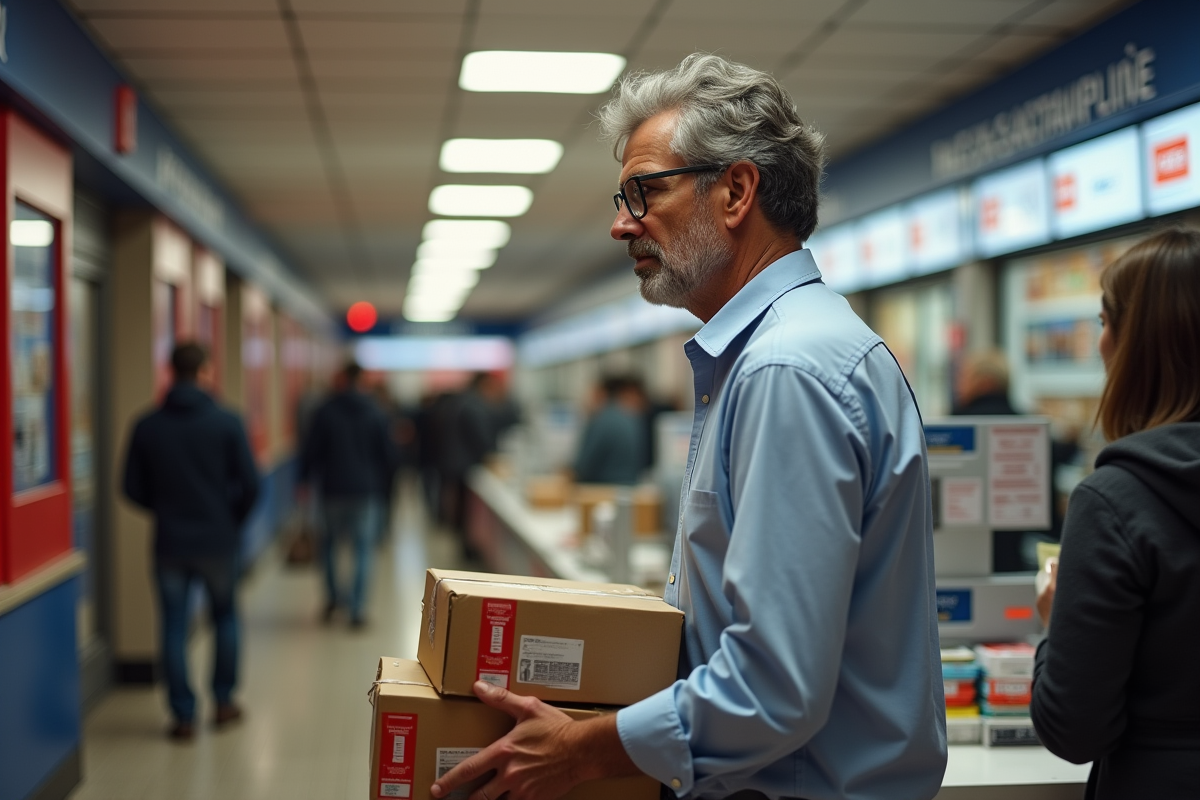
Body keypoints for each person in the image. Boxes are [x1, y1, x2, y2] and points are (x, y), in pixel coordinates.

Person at [433, 54, 946, 800]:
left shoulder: (786, 371)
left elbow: (771, 686)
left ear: (736, 191)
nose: (620, 224)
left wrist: (579, 749)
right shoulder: (776, 357)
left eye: (644, 192)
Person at [1031, 227, 1200, 800]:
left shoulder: (1115, 501)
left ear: (1137, 344)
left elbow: (1073, 728)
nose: (1099, 343)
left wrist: (1057, 624)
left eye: (1105, 323)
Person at [122, 342, 260, 741]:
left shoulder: (147, 425)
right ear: (204, 372)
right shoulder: (227, 422)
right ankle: (223, 702)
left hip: (170, 543)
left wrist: (164, 509)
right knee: (226, 618)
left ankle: (182, 715)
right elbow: (251, 485)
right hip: (219, 541)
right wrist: (230, 520)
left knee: (173, 626)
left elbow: (129, 486)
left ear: (170, 371)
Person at [299, 361, 394, 628]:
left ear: (341, 379)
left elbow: (311, 451)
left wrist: (304, 480)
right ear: (362, 380)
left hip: (332, 489)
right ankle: (357, 609)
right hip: (366, 491)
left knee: (328, 546)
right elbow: (388, 455)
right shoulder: (376, 412)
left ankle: (332, 600)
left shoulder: (325, 411)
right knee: (363, 549)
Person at [573, 375, 646, 485]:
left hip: (603, 491)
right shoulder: (633, 420)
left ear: (603, 393)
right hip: (630, 488)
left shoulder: (602, 420)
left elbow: (584, 467)